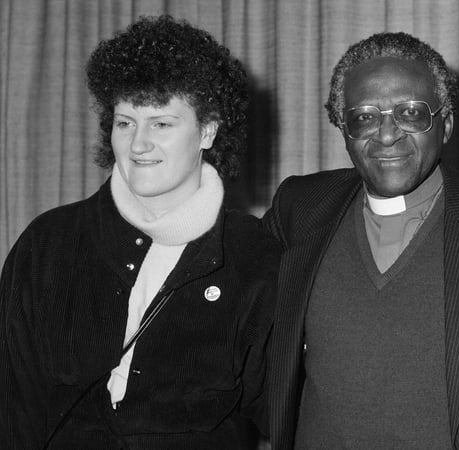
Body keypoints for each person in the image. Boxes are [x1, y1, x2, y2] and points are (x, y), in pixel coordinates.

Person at [262, 32, 459, 448]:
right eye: (364, 117)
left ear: (446, 125)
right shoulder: (300, 208)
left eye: (411, 113)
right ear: (343, 130)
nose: (387, 134)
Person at [0, 15, 277, 448]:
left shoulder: (251, 253)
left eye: (161, 124)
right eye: (125, 122)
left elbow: (279, 409)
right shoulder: (49, 244)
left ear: (207, 131)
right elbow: (13, 405)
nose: (138, 144)